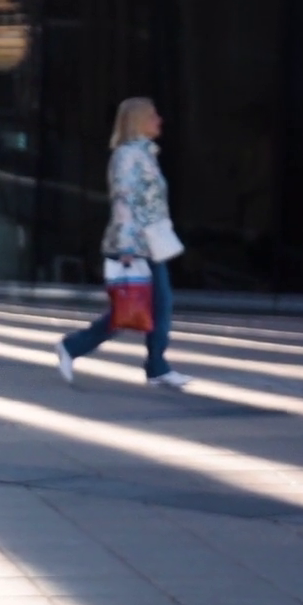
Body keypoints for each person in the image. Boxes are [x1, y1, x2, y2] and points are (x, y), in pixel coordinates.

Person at [56, 97, 193, 389]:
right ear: (139, 120)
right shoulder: (127, 156)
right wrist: (127, 246)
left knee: (154, 307)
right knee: (132, 309)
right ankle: (74, 346)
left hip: (151, 244)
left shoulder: (145, 154)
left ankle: (156, 367)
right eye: (153, 116)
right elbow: (124, 201)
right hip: (135, 246)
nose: (159, 120)